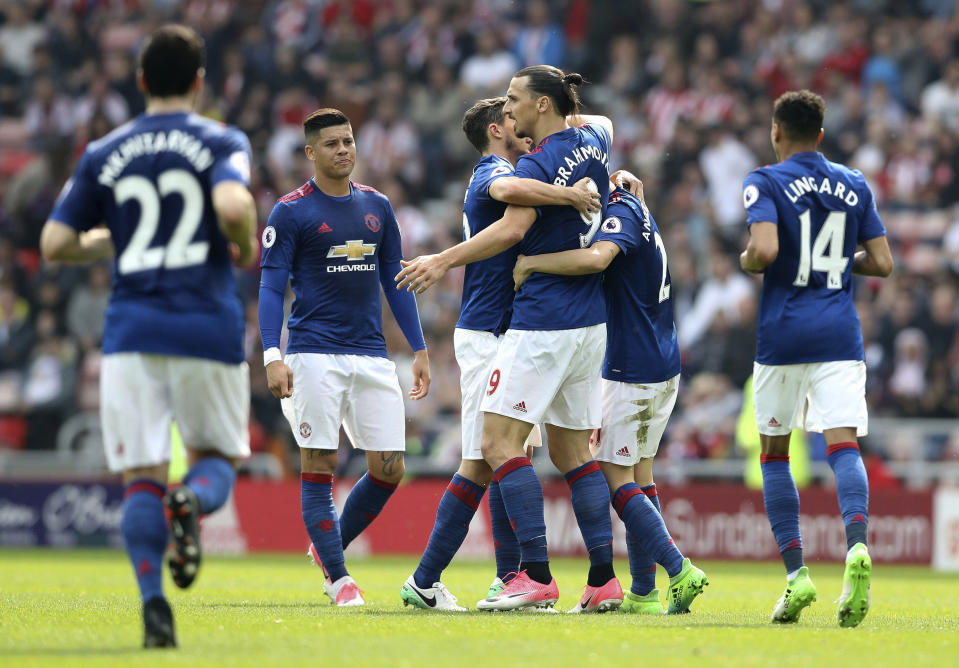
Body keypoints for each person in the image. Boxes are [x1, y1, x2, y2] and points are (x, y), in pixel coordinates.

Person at [39, 25, 258, 648]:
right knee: (215, 460)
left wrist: (114, 241)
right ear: (199, 81)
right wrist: (239, 245)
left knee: (140, 476)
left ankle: (153, 603)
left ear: (140, 82)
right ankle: (191, 499)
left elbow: (54, 244)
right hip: (205, 324)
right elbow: (236, 209)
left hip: (131, 330)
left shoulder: (104, 150)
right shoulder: (220, 137)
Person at [397, 65, 622, 613]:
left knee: (499, 451)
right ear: (499, 127)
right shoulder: (497, 170)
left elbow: (520, 221)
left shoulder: (539, 157)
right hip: (509, 329)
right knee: (503, 455)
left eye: (519, 99)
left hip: (532, 326)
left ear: (541, 107)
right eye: (508, 106)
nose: (514, 108)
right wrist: (576, 191)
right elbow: (512, 193)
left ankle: (520, 577)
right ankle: (456, 578)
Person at [258, 108, 431, 608]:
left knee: (390, 468)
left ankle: (325, 545)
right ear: (310, 152)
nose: (344, 150)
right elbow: (271, 287)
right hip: (313, 354)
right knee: (320, 462)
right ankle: (339, 578)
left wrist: (418, 348)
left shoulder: (378, 206)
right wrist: (273, 353)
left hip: (372, 356)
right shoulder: (291, 212)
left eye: (349, 140)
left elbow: (395, 282)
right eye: (332, 143)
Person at [512, 181, 708, 615]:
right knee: (639, 474)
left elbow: (598, 257)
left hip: (631, 368)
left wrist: (532, 263)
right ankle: (643, 592)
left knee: (615, 477)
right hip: (662, 362)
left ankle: (679, 570)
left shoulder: (619, 210)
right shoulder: (636, 203)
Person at [739, 89, 893, 627]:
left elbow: (765, 251)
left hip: (783, 337)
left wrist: (746, 259)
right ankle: (856, 544)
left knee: (775, 455)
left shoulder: (764, 180)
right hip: (838, 334)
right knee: (843, 445)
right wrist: (836, 264)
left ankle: (796, 576)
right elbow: (884, 262)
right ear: (821, 135)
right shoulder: (854, 183)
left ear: (776, 131)